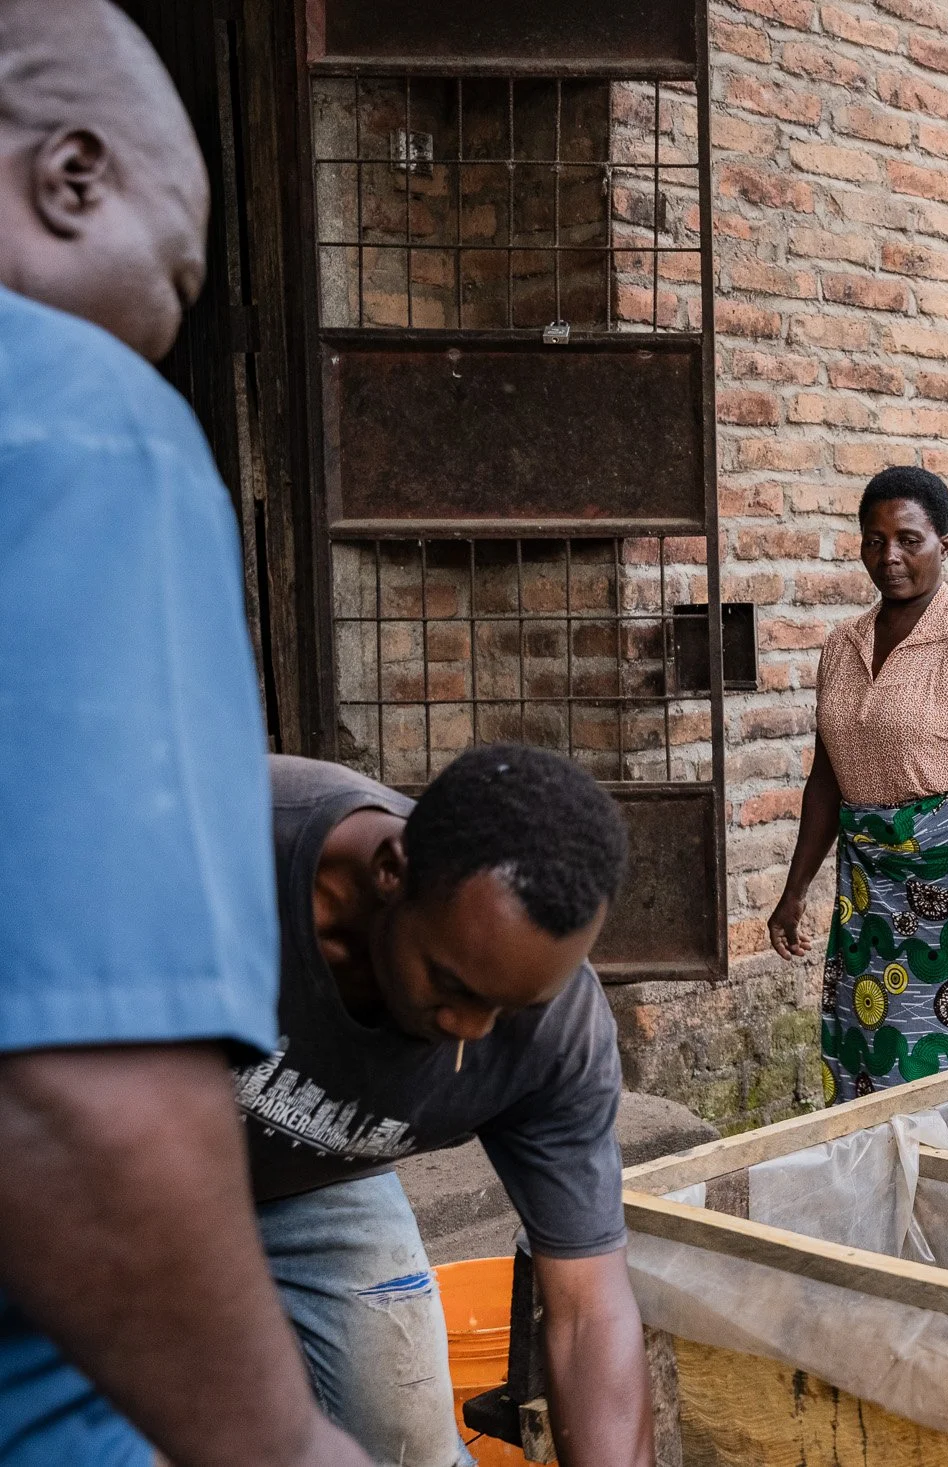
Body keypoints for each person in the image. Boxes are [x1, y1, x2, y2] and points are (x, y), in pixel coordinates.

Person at [0, 6, 372, 1465]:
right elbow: (70, 1086)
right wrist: (281, 1443)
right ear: (71, 175)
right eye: (183, 273)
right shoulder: (72, 416)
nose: (173, 327)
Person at [247, 746, 652, 1465]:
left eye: (508, 1007)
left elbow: (590, 1310)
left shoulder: (558, 1033)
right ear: (391, 871)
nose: (470, 1029)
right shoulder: (223, 852)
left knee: (408, 1444)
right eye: (452, 984)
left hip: (317, 1178)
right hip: (110, 1154)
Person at [769, 467, 948, 1096]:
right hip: (871, 888)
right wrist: (794, 891)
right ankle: (881, 1188)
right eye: (874, 540)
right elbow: (826, 781)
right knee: (864, 1047)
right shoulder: (842, 646)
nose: (889, 557)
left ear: (945, 542)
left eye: (908, 539)